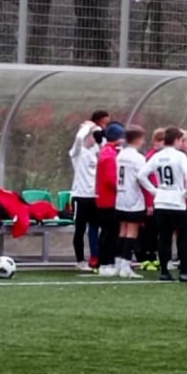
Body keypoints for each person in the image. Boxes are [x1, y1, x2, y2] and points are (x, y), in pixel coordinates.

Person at [144, 127, 187, 282]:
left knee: (164, 237)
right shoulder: (180, 156)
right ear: (176, 140)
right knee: (182, 236)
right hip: (176, 202)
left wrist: (155, 191)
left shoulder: (157, 156)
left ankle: (164, 271)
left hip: (161, 202)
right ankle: (184, 271)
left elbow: (141, 175)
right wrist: (186, 193)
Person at [68, 109, 111, 272]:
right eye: (93, 135)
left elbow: (106, 146)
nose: (94, 138)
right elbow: (79, 138)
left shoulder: (98, 151)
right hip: (80, 196)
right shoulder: (77, 152)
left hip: (95, 196)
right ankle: (80, 260)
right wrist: (89, 126)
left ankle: (97, 256)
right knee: (80, 229)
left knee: (97, 227)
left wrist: (100, 133)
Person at [109, 127, 152, 278]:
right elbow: (143, 177)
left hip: (120, 197)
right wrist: (154, 191)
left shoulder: (120, 155)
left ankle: (118, 264)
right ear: (138, 139)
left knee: (122, 230)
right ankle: (126, 266)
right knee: (132, 232)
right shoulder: (138, 158)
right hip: (133, 197)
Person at [93, 122, 127, 276]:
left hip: (105, 198)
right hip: (109, 199)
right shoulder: (110, 154)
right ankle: (106, 262)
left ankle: (105, 261)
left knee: (108, 231)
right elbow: (111, 179)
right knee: (110, 232)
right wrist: (122, 188)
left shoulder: (108, 152)